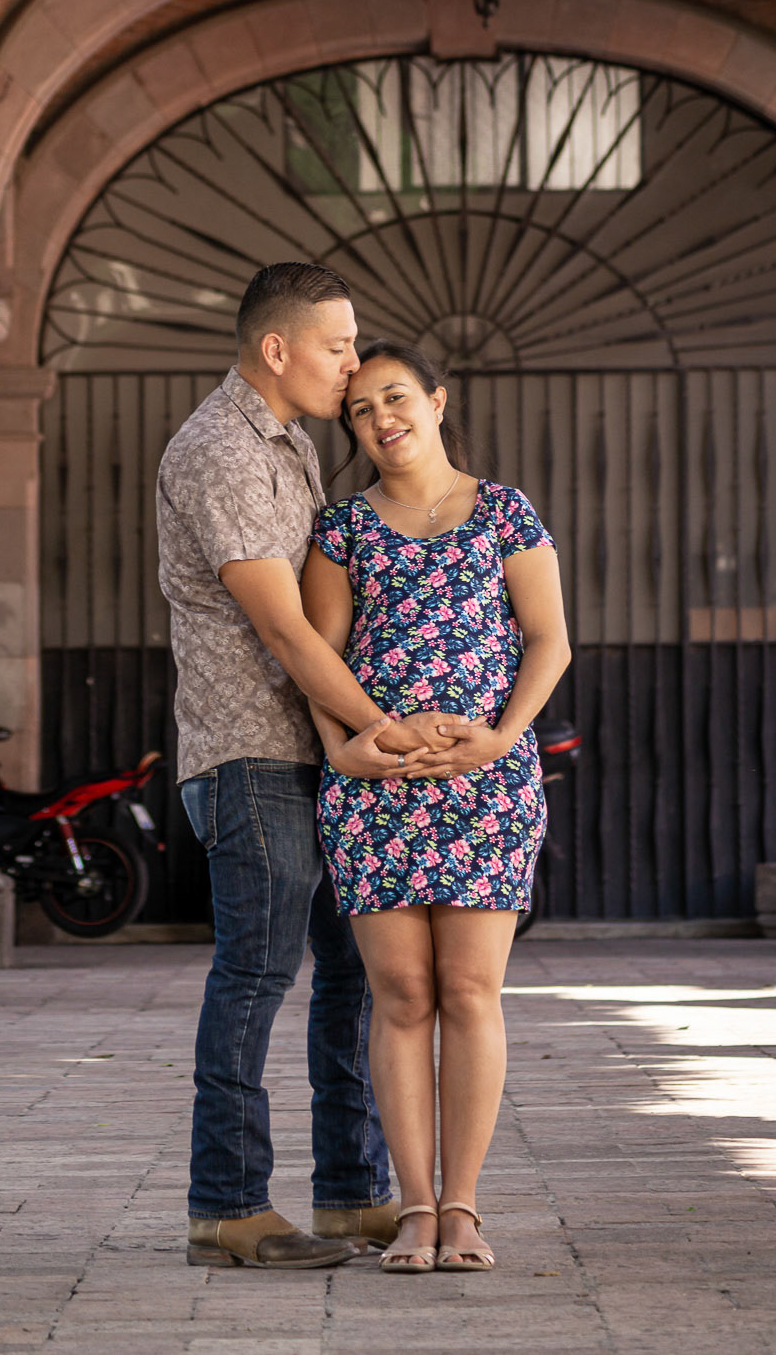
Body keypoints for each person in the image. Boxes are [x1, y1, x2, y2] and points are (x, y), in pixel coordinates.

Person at [157, 265, 463, 1270]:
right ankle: (228, 1205)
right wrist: (387, 728)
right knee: (255, 972)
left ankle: (350, 1194)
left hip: (323, 754)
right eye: (339, 348)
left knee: (352, 976)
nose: (352, 366)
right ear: (278, 348)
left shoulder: (289, 443)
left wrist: (357, 743)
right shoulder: (220, 448)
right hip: (252, 753)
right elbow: (285, 629)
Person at [303, 340, 570, 1274]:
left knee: (468, 990)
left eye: (396, 396)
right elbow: (320, 661)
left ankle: (462, 1207)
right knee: (402, 994)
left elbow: (548, 641)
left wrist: (500, 738)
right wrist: (344, 748)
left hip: (487, 786)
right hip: (376, 794)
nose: (381, 417)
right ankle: (412, 1208)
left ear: (437, 401)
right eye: (361, 408)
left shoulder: (502, 512)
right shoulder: (340, 528)